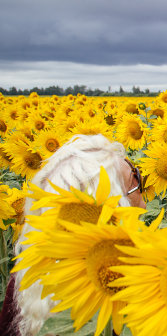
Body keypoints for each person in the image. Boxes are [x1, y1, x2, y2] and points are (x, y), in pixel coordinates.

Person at [0, 134, 146, 336]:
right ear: (112, 210)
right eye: (135, 180)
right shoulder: (141, 296)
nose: (144, 196)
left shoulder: (24, 282)